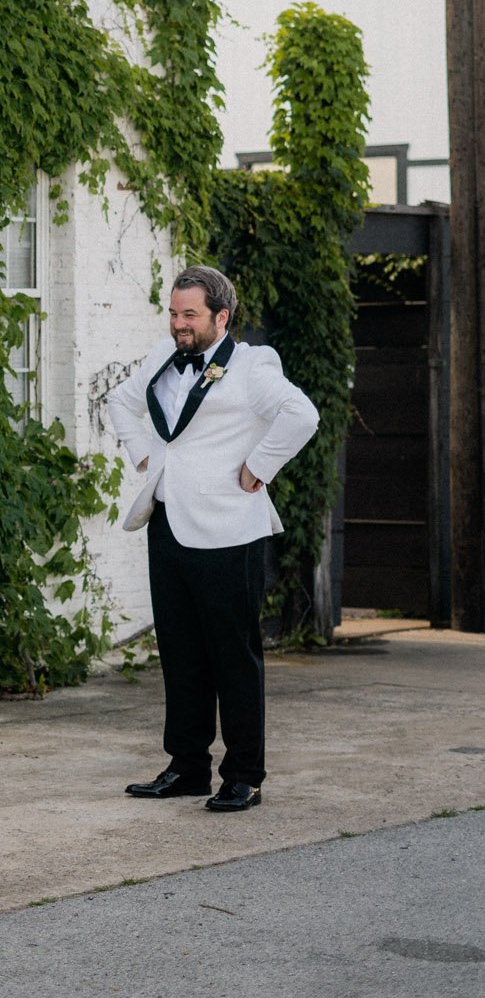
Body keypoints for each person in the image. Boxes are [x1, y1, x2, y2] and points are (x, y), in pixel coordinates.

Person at [106, 265, 318, 814]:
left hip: (229, 531)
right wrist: (146, 455)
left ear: (221, 316)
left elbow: (302, 414)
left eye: (190, 315)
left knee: (233, 657)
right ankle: (187, 766)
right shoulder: (160, 356)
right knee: (180, 652)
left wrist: (258, 467)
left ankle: (244, 774)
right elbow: (121, 403)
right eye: (174, 312)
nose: (179, 324)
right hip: (168, 522)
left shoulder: (252, 366)